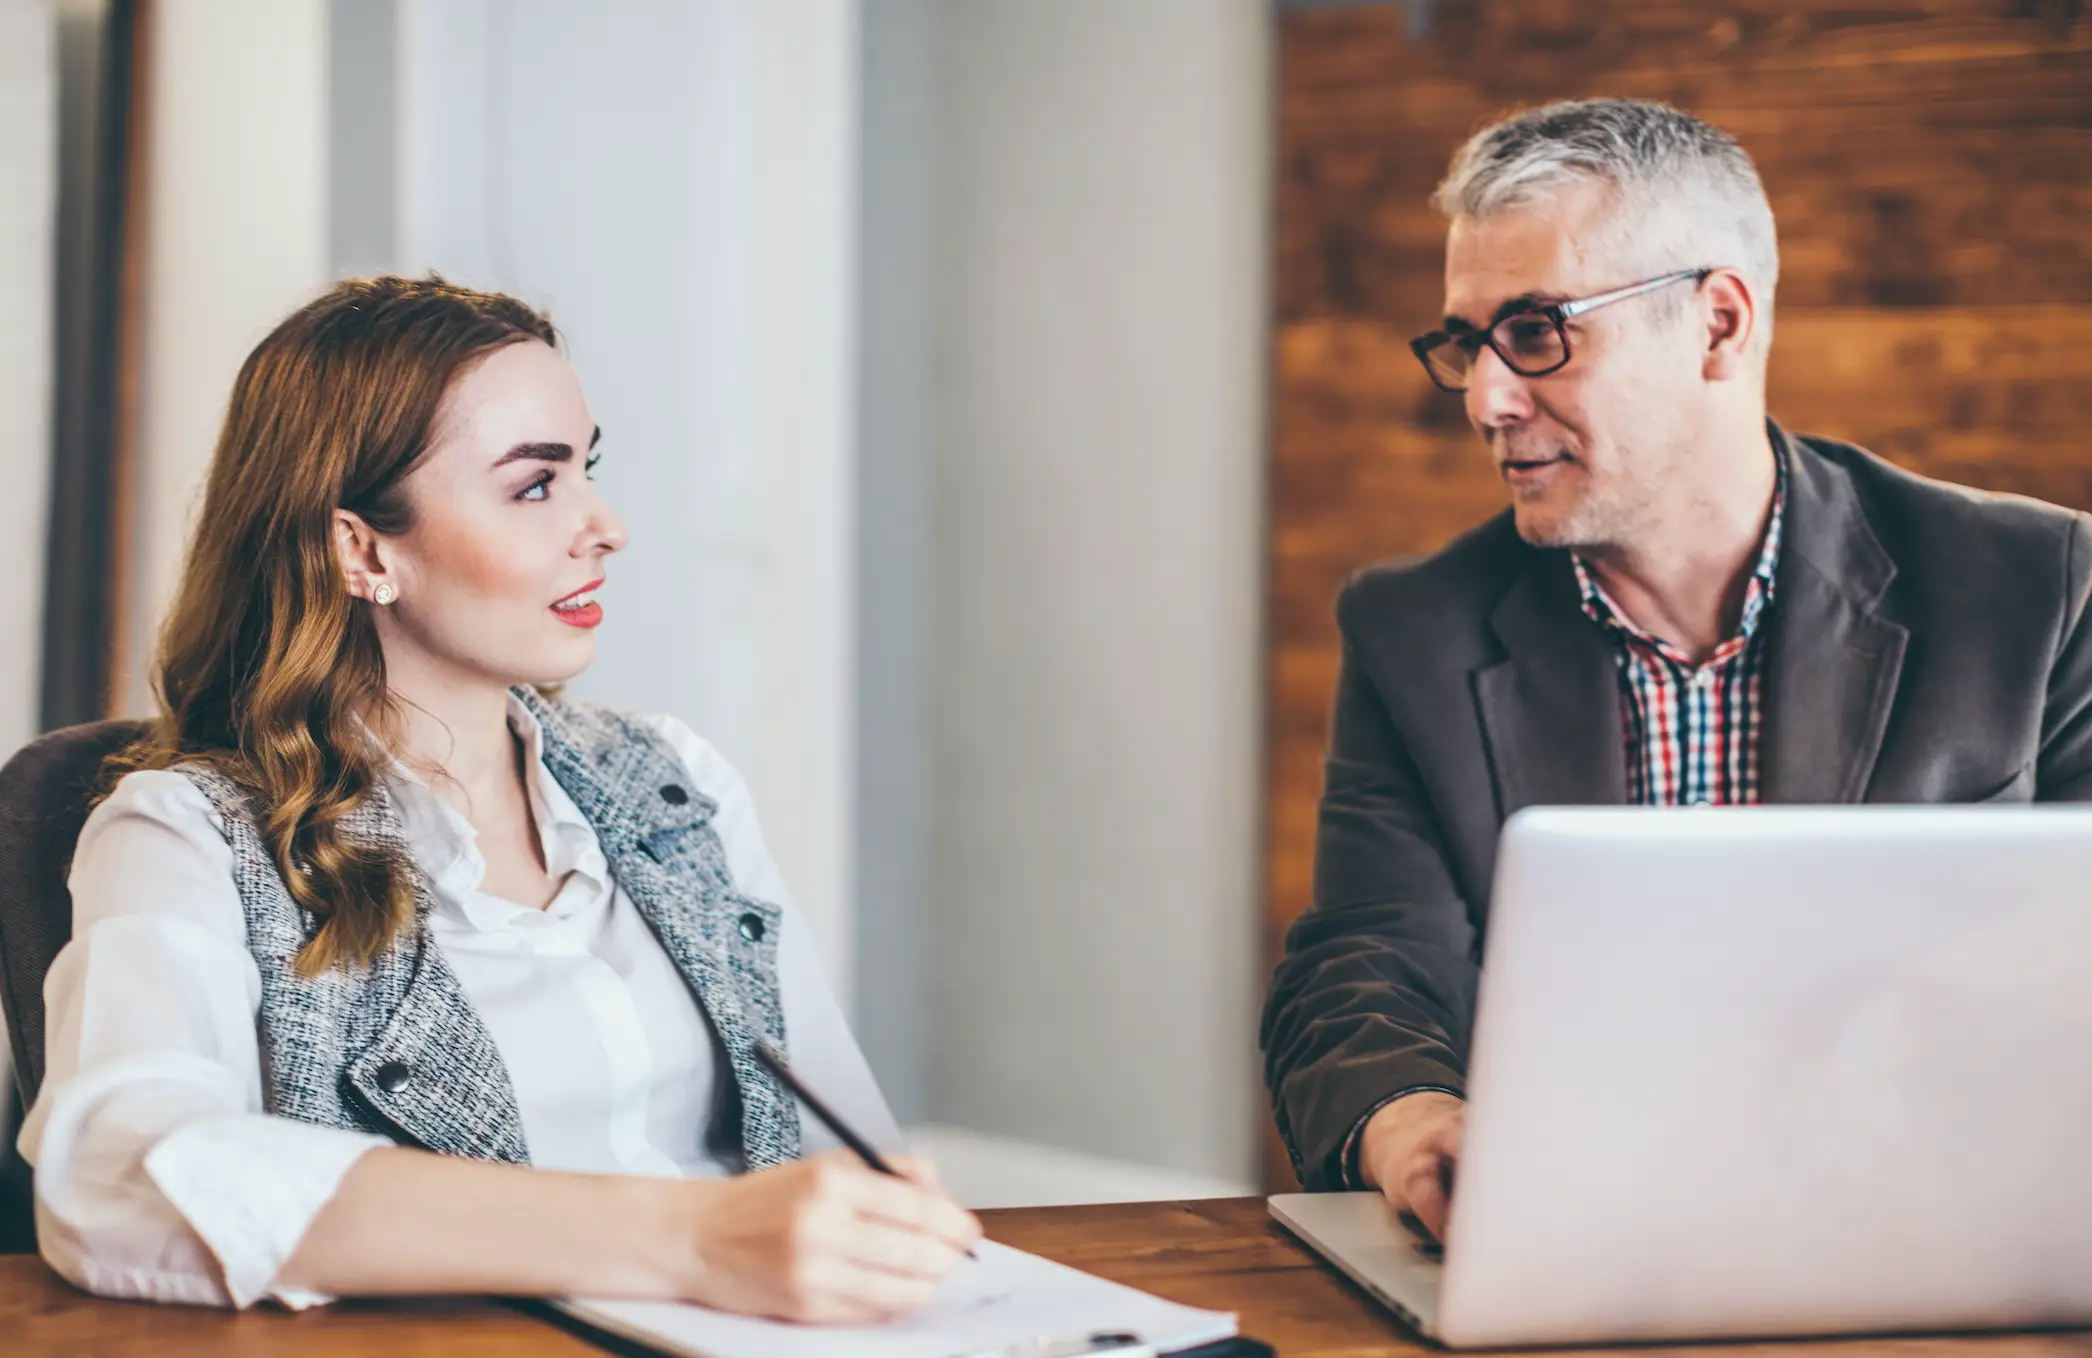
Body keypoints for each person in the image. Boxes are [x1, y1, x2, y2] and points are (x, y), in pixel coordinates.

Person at [19, 276, 980, 1316]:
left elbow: (850, 1143)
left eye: (587, 470)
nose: (605, 526)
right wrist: (689, 1238)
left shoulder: (677, 781)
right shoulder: (184, 832)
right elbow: (120, 1170)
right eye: (535, 486)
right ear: (362, 548)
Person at [1262, 99, 2092, 1237]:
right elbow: (1367, 958)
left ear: (1716, 324)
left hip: (1948, 1239)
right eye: (1467, 341)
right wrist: (1405, 1115)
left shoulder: (2040, 587)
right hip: (1584, 1244)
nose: (1485, 397)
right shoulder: (1415, 629)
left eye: (1538, 330)